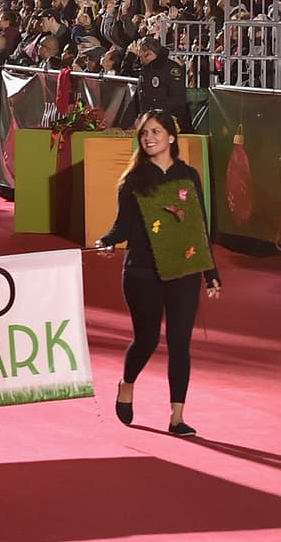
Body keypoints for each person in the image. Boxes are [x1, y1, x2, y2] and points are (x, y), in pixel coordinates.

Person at [95, 109, 221, 435]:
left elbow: (198, 226)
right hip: (142, 271)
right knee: (147, 339)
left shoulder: (188, 175)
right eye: (144, 133)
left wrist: (210, 273)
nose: (148, 137)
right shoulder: (133, 181)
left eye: (155, 131)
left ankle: (177, 417)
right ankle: (127, 382)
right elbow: (122, 226)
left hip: (184, 269)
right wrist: (106, 240)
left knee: (180, 343)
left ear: (171, 137)